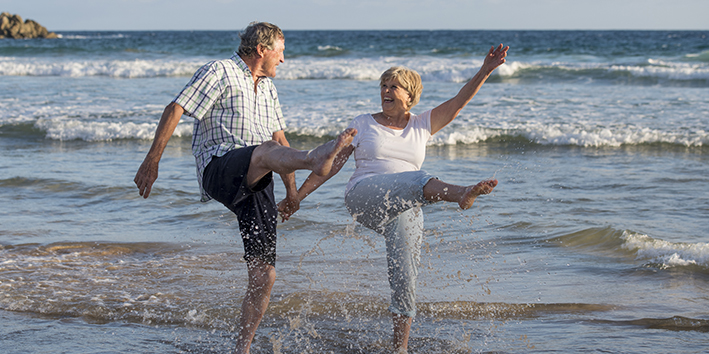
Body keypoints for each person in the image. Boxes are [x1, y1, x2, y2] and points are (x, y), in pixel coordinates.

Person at [133, 22, 357, 354]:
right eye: (281, 52)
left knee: (265, 275)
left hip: (259, 175)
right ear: (262, 49)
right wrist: (153, 160)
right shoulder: (219, 71)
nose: (283, 60)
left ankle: (242, 348)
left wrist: (292, 194)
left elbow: (282, 143)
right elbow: (176, 107)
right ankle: (316, 158)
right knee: (265, 150)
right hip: (219, 166)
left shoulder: (268, 89)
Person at [279, 44, 509, 353]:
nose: (386, 90)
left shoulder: (422, 125)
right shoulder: (363, 123)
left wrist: (486, 70)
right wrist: (297, 197)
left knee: (405, 275)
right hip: (364, 193)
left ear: (410, 96)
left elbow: (457, 103)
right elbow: (331, 166)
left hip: (408, 201)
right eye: (383, 85)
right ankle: (461, 195)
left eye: (394, 86)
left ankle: (399, 347)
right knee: (417, 177)